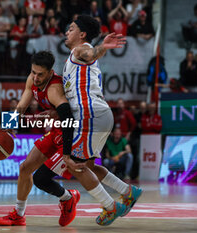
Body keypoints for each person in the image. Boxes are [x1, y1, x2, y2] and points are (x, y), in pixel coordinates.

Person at [60, 15, 141, 226]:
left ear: (82, 34)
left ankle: (110, 206)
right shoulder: (74, 56)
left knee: (75, 165)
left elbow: (91, 53)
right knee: (87, 165)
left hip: (91, 114)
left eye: (71, 29)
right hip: (99, 115)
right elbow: (92, 56)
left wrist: (101, 47)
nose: (66, 32)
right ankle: (128, 191)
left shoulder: (81, 50)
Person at [0, 51, 81, 227]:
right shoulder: (31, 79)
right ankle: (18, 215)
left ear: (50, 73)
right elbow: (21, 106)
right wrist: (7, 126)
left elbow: (69, 119)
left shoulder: (54, 89)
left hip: (71, 133)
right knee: (25, 168)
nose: (36, 77)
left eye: (40, 74)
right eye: (33, 72)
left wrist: (67, 153)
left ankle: (68, 198)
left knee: (42, 179)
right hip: (57, 129)